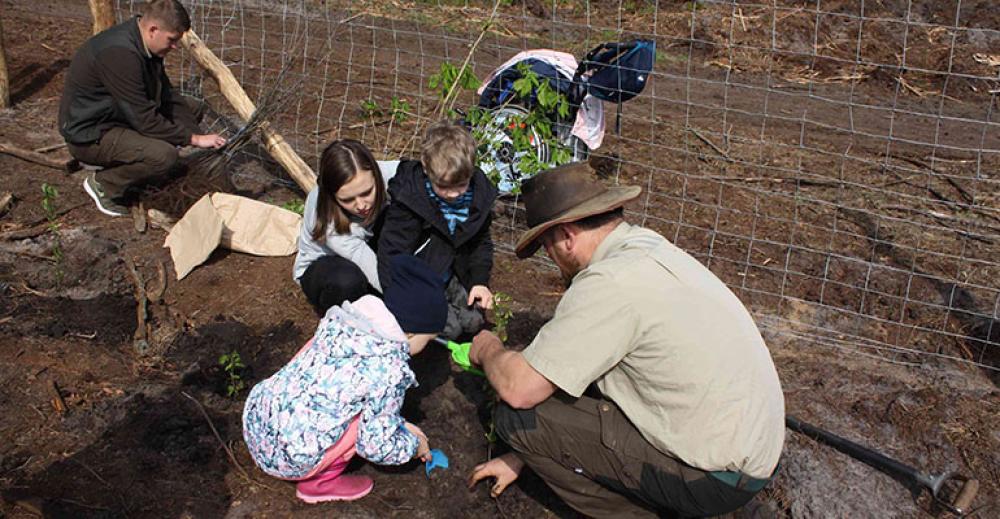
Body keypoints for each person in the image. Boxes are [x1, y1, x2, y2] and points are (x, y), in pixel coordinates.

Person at [465, 162, 785, 518]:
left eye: (546, 245)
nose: (551, 258)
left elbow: (519, 388)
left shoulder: (608, 283)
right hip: (750, 447)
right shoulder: (647, 247)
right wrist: (526, 457)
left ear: (567, 236)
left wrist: (488, 348)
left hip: (713, 476)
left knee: (517, 419)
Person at [243, 254, 446, 503]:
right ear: (412, 331)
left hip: (259, 420)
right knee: (362, 423)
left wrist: (401, 426)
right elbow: (374, 444)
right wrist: (412, 447)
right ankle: (319, 484)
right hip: (288, 457)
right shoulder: (389, 370)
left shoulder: (344, 319)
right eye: (426, 340)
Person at [58, 0, 226, 217]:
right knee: (163, 155)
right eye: (172, 40)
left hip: (116, 116)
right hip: (91, 133)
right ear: (153, 30)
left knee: (192, 108)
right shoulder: (120, 54)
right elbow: (144, 119)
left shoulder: (144, 45)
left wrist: (197, 135)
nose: (175, 47)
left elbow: (167, 95)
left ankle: (146, 166)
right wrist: (193, 140)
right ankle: (104, 185)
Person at [377, 120, 497, 340]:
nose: (453, 194)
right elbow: (392, 252)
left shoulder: (478, 197)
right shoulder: (410, 198)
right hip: (421, 277)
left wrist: (479, 281)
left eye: (461, 185)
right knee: (450, 329)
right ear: (425, 167)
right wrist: (399, 298)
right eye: (443, 186)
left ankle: (449, 302)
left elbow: (481, 243)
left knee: (473, 322)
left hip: (454, 273)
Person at [293, 139, 400, 316]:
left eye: (367, 193)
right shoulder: (325, 212)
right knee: (348, 282)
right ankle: (338, 317)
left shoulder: (390, 173)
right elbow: (364, 260)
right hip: (328, 267)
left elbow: (427, 177)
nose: (361, 205)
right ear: (332, 195)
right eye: (347, 200)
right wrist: (407, 303)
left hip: (369, 243)